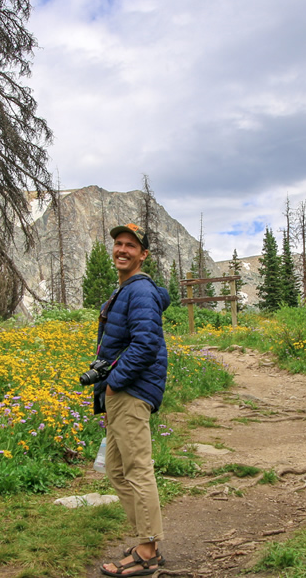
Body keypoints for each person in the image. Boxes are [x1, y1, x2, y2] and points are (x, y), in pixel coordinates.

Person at [95, 223, 171, 577]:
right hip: (123, 391)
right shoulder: (126, 290)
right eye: (118, 244)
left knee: (137, 469)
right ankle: (147, 541)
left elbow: (146, 344)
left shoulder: (139, 291)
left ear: (143, 254)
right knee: (116, 469)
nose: (122, 250)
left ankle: (147, 551)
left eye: (130, 246)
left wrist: (114, 384)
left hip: (131, 391)